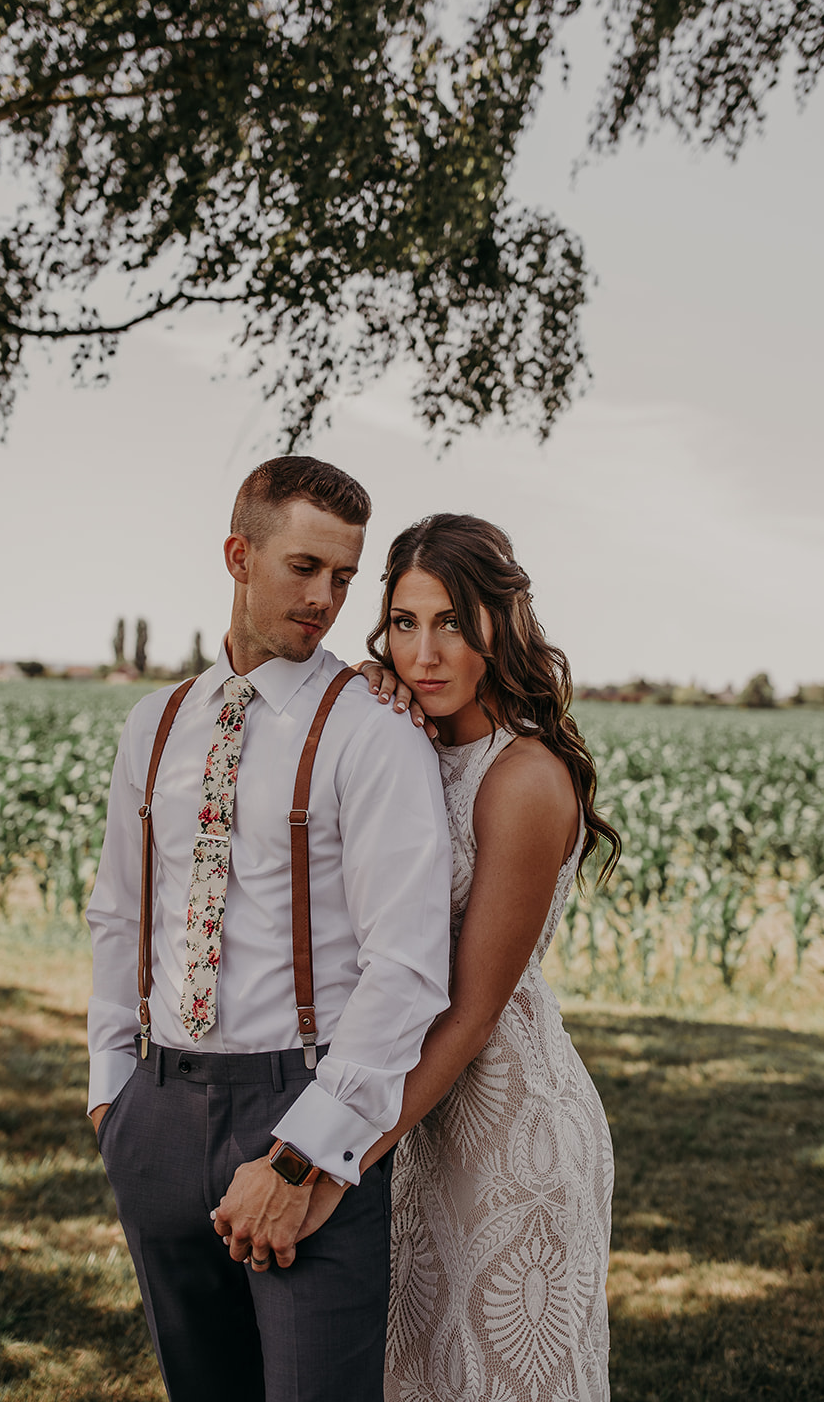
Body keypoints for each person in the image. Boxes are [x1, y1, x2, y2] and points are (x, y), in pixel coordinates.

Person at [87, 457, 453, 1402]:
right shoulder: (156, 723)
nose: (326, 599)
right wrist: (111, 1098)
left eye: (344, 577)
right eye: (303, 569)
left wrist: (304, 1153)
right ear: (237, 555)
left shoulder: (373, 729)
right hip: (158, 1110)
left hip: (301, 1100)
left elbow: (406, 966)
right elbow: (119, 912)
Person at [251, 511, 621, 1402]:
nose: (425, 652)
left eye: (452, 622)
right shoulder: (402, 735)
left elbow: (472, 1010)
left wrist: (329, 1162)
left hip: (501, 1130)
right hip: (402, 1113)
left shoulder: (526, 776)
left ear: (502, 623)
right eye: (407, 624)